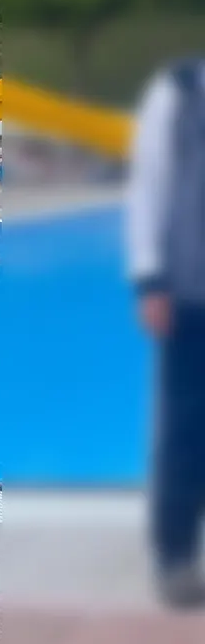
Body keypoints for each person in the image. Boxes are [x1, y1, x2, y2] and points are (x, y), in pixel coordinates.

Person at [125, 56, 205, 609]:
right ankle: (175, 553)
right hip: (191, 291)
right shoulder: (177, 91)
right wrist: (151, 279)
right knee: (187, 425)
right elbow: (148, 188)